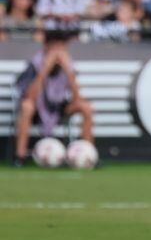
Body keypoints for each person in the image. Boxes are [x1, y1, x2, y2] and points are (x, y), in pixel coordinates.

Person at [13, 36, 94, 167]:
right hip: (37, 108)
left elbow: (77, 98)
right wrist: (44, 70)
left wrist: (69, 71)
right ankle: (20, 156)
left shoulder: (68, 66)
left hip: (58, 106)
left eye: (62, 49)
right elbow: (29, 96)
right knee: (26, 107)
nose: (58, 54)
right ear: (46, 47)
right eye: (55, 48)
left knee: (86, 107)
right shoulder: (34, 65)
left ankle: (88, 155)